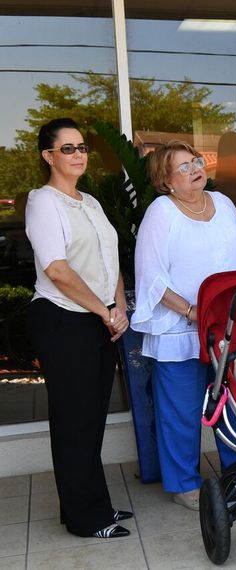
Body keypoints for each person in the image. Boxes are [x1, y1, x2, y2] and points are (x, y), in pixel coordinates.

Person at [131, 140, 236, 511]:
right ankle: (184, 483)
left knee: (232, 402)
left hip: (225, 326)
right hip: (180, 330)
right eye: (184, 167)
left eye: (197, 162)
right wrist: (191, 311)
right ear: (165, 181)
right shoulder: (161, 212)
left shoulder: (223, 203)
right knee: (181, 411)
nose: (195, 169)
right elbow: (151, 277)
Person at [25, 117, 132, 539]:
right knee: (74, 422)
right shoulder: (43, 202)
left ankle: (92, 506)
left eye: (82, 147)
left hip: (99, 318)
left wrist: (119, 306)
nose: (77, 155)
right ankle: (87, 520)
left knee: (91, 418)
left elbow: (112, 261)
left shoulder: (89, 202)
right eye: (67, 148)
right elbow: (57, 269)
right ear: (48, 156)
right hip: (64, 319)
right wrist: (105, 311)